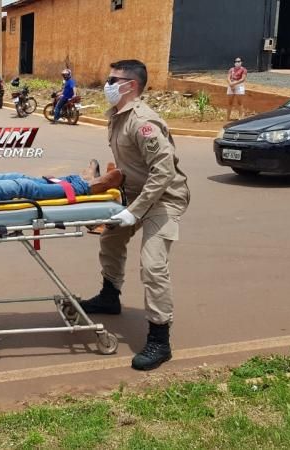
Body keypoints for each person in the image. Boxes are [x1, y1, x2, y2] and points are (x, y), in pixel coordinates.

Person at [79, 59, 190, 371]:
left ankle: (159, 338)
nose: (107, 84)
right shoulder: (117, 116)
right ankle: (109, 296)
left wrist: (135, 212)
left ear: (131, 86)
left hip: (164, 199)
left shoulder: (143, 121)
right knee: (111, 241)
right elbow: (127, 165)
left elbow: (164, 171)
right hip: (135, 195)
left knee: (153, 265)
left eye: (113, 80)